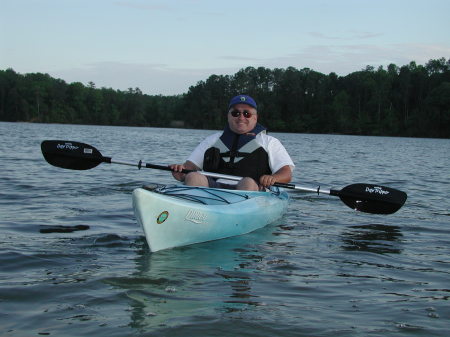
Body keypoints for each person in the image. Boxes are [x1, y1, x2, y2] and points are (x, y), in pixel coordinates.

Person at [170, 94, 294, 191]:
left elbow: (286, 173)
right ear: (228, 116)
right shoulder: (212, 140)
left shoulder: (269, 142)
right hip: (212, 191)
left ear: (255, 118)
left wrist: (273, 178)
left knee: (248, 182)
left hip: (251, 191)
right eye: (235, 113)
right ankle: (194, 212)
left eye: (247, 113)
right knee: (193, 176)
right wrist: (181, 172)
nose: (241, 117)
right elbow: (189, 168)